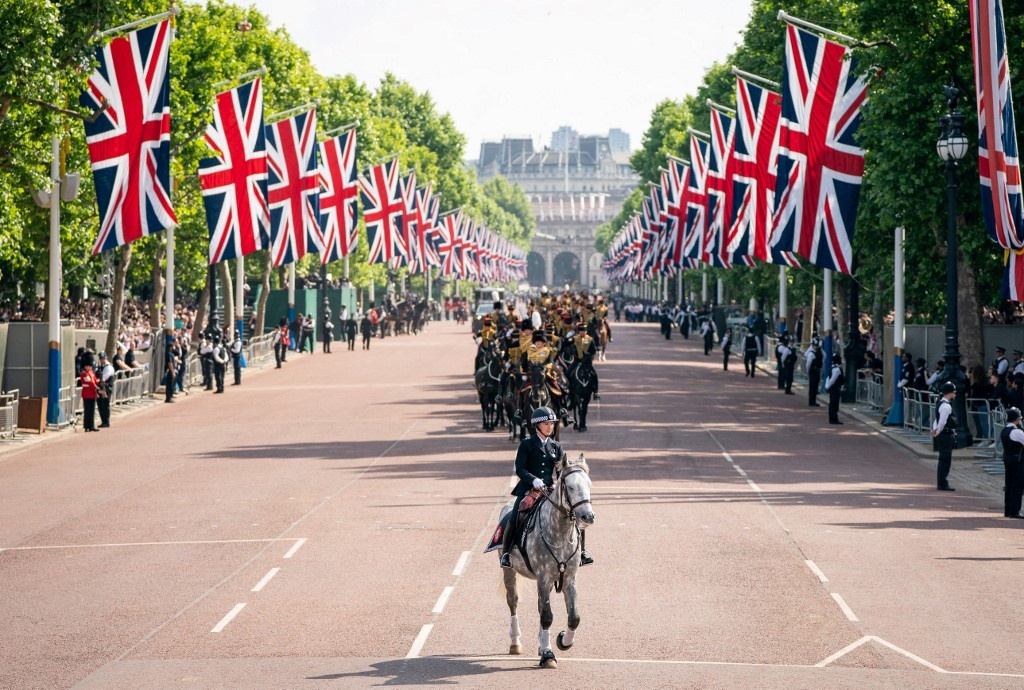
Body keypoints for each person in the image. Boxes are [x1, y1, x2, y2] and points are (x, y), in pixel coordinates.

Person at [499, 406, 593, 569]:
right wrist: (533, 480)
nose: (550, 427)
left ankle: (582, 552)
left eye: (552, 424)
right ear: (538, 426)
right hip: (529, 489)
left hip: (550, 489)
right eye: (546, 424)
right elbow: (520, 468)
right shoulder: (526, 444)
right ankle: (506, 553)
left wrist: (559, 482)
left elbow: (560, 470)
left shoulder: (556, 446)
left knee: (574, 514)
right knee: (515, 516)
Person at [931, 381, 957, 491]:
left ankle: (941, 482)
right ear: (949, 393)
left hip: (942, 434)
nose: (955, 395)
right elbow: (942, 421)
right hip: (945, 435)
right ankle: (942, 483)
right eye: (954, 393)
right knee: (945, 460)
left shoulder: (940, 403)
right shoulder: (946, 406)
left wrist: (935, 430)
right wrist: (938, 431)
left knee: (943, 459)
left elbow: (936, 420)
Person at [1001, 407, 1024, 518]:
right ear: (1016, 420)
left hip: (1007, 459)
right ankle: (1015, 511)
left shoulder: (1004, 430)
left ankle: (1008, 509)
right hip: (1017, 460)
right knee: (1017, 486)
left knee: (1009, 485)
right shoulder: (1017, 432)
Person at [80, 358, 100, 432]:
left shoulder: (91, 372)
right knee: (87, 410)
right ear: (85, 367)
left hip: (92, 393)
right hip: (87, 394)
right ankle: (87, 426)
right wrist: (97, 388)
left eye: (90, 366)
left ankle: (91, 425)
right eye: (88, 366)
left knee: (92, 411)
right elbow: (90, 383)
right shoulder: (84, 374)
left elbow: (94, 380)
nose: (89, 367)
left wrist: (99, 380)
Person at [825, 354, 845, 424]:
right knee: (834, 404)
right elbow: (832, 380)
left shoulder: (832, 367)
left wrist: (827, 386)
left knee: (833, 404)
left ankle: (833, 418)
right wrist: (827, 386)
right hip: (835, 388)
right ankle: (833, 419)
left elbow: (828, 378)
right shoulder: (837, 369)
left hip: (833, 388)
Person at [96, 352, 115, 428]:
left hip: (106, 389)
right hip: (102, 388)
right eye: (100, 359)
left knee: (105, 405)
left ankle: (106, 422)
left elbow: (103, 379)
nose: (101, 360)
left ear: (105, 358)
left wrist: (98, 379)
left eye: (102, 358)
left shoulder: (108, 367)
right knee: (101, 405)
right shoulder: (102, 366)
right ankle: (103, 421)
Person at [806, 340, 822, 407]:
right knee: (812, 387)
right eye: (815, 345)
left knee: (815, 387)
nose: (816, 347)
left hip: (817, 371)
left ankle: (814, 401)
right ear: (812, 346)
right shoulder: (811, 353)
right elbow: (808, 364)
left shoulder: (818, 352)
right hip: (812, 371)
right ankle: (811, 401)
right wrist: (808, 371)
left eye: (816, 345)